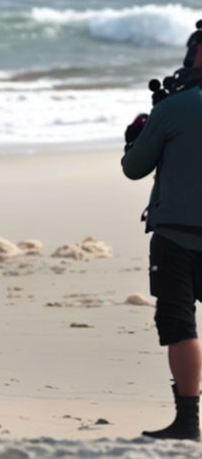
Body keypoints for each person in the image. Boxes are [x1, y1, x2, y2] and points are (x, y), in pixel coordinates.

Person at [122, 22, 202, 441]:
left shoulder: (172, 108)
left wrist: (135, 136)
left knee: (180, 325)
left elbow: (134, 167)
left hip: (176, 235)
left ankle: (188, 421)